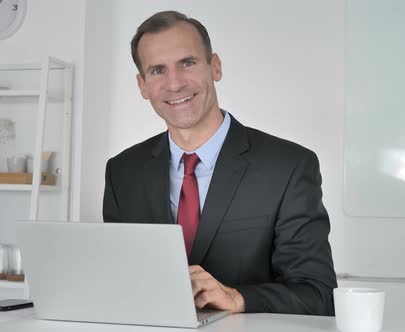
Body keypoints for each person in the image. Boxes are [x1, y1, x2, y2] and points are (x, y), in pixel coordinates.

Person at [103, 10, 336, 315]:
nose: (174, 84)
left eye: (187, 63)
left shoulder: (288, 166)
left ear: (215, 67)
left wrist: (239, 298)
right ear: (142, 85)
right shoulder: (122, 172)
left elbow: (318, 294)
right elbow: (120, 283)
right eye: (158, 70)